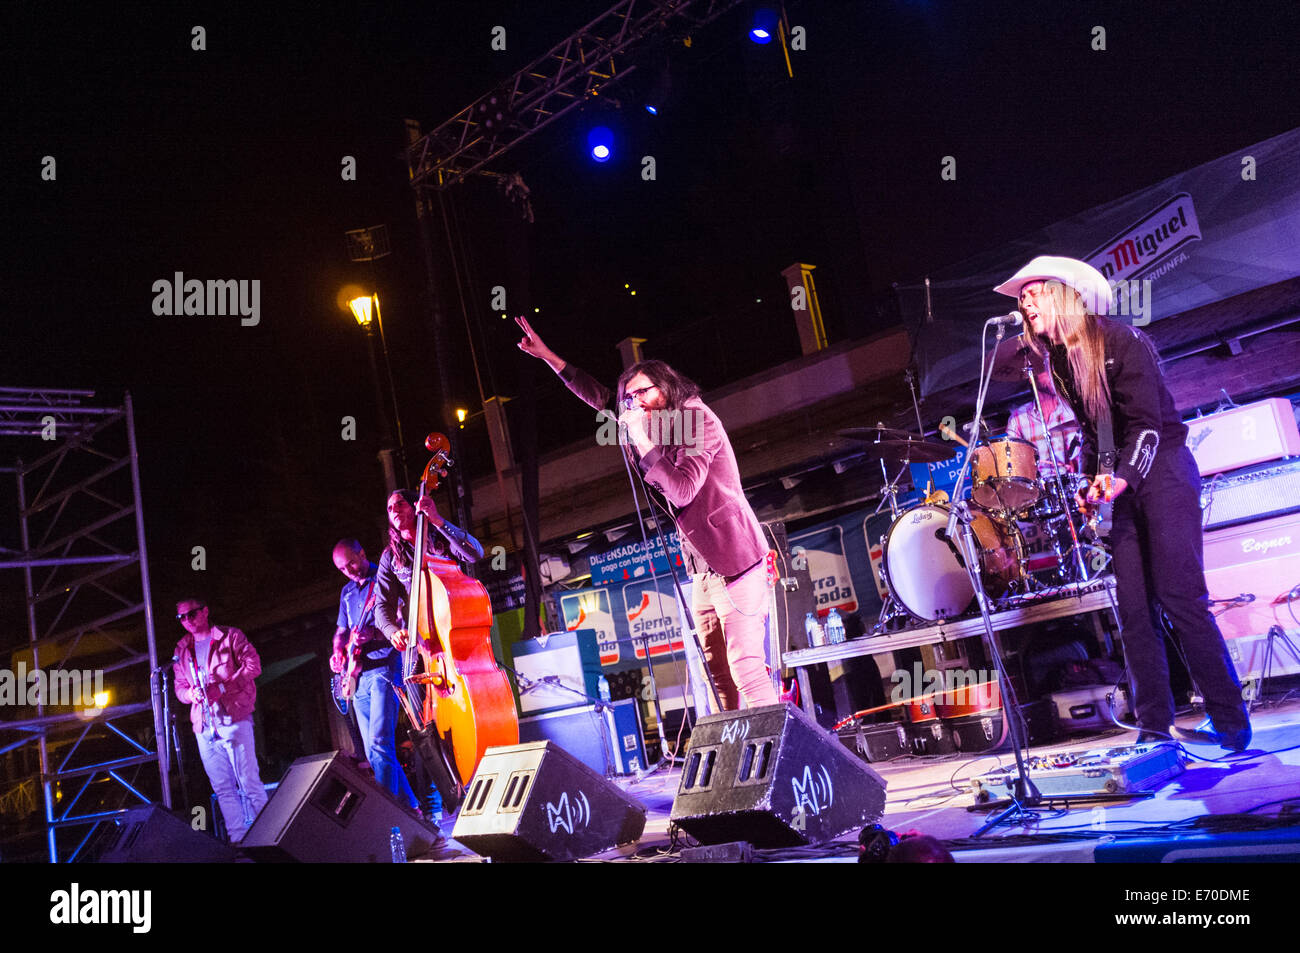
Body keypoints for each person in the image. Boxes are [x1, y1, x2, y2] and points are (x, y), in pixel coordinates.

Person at [995, 255, 1251, 751]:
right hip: (1127, 484)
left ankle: (1231, 721)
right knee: (1134, 611)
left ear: (1064, 294)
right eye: (1021, 298)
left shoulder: (1119, 339)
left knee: (1181, 599)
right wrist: (1093, 480)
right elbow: (1099, 435)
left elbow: (1148, 425)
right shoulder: (1062, 361)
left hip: (1166, 473)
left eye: (1034, 293)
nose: (1024, 302)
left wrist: (1121, 478)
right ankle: (1154, 727)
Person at [516, 315, 779, 711]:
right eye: (631, 398)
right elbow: (601, 397)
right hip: (701, 570)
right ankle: (738, 756)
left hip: (736, 560)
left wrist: (639, 436)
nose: (634, 403)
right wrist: (550, 358)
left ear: (667, 387)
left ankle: (785, 755)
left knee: (746, 668)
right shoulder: (659, 427)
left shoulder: (695, 419)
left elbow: (683, 488)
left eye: (642, 393)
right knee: (716, 672)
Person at [374, 489, 485, 818]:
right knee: (423, 724)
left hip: (453, 634)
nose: (394, 510)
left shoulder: (436, 534)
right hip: (421, 642)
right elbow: (381, 606)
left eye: (400, 504)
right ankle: (439, 799)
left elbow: (475, 552)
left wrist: (436, 519)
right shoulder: (390, 556)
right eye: (389, 507)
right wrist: (393, 631)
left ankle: (479, 772)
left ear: (415, 505)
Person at [330, 538, 420, 811]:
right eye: (343, 569)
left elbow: (403, 624)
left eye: (352, 563)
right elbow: (341, 632)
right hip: (357, 675)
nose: (350, 571)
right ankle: (413, 812)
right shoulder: (347, 592)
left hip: (384, 666)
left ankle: (385, 815)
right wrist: (337, 653)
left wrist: (375, 633)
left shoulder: (382, 581)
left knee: (381, 744)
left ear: (362, 553)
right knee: (374, 752)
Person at [172, 598, 270, 842]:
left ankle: (269, 836)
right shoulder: (182, 648)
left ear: (205, 611)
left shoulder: (230, 636)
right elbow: (179, 687)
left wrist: (223, 688)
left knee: (249, 782)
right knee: (223, 788)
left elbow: (253, 666)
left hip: (234, 716)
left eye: (191, 614)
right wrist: (189, 694)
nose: (187, 621)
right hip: (204, 724)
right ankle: (239, 840)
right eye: (181, 617)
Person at [1005, 366, 1082, 481]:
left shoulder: (1075, 410)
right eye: (1046, 369)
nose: (1053, 374)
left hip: (1077, 487)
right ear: (1031, 378)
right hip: (1041, 492)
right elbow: (1012, 462)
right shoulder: (1017, 419)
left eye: (1054, 369)